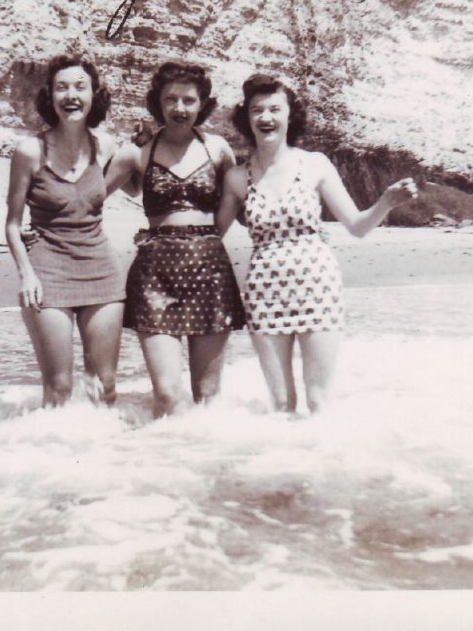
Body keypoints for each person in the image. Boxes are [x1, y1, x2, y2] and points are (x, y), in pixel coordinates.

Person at [216, 73, 418, 414]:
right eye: (257, 110)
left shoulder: (315, 164)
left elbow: (356, 226)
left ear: (289, 115)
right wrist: (161, 232)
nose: (266, 117)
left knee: (318, 400)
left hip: (317, 285)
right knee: (281, 404)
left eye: (274, 109)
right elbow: (211, 234)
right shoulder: (237, 178)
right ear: (246, 118)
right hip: (264, 290)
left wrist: (386, 201)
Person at [107, 62, 245, 417]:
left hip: (210, 274)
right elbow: (87, 199)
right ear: (158, 103)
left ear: (202, 104)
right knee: (167, 395)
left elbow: (243, 203)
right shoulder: (137, 152)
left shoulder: (218, 149)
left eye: (188, 100)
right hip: (155, 274)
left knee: (207, 394)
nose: (180, 109)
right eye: (171, 100)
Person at [4, 55, 125, 407]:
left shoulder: (107, 147)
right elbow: (12, 224)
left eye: (80, 87)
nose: (71, 95)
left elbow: (140, 182)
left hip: (102, 271)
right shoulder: (29, 151)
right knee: (58, 388)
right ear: (50, 96)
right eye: (61, 87)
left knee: (105, 387)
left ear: (93, 95)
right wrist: (26, 274)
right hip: (47, 272)